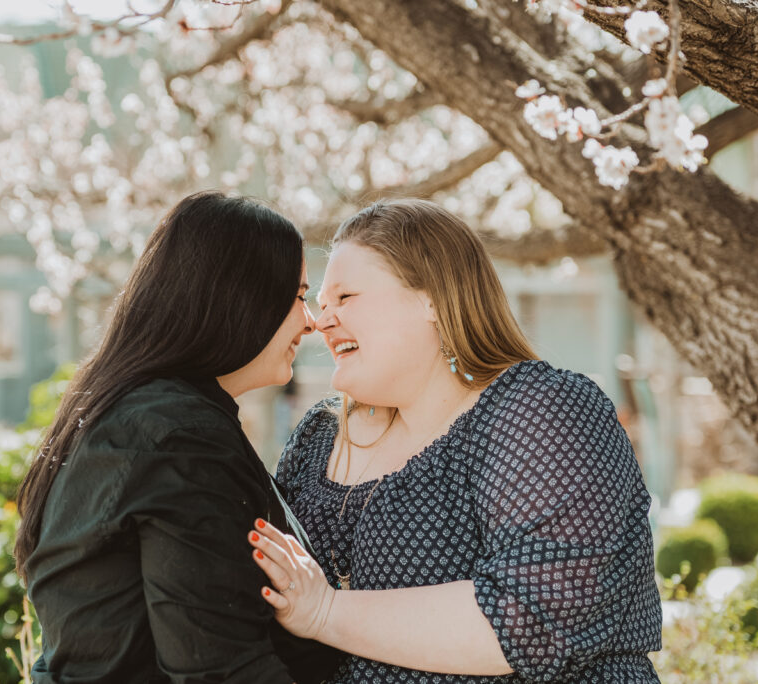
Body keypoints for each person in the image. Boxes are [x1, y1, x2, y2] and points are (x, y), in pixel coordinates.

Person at [247, 199, 663, 682]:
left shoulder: (540, 410)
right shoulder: (319, 438)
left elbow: (527, 623)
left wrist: (325, 612)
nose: (321, 320)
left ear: (432, 299)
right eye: (321, 303)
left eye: (345, 298)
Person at [14, 192, 342, 683]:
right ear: (239, 298)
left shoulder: (136, 414)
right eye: (297, 296)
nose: (312, 320)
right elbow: (219, 667)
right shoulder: (179, 437)